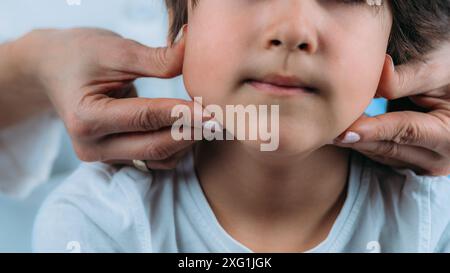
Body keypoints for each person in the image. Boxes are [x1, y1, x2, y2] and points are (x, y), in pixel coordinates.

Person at [33, 0, 450, 253]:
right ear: (178, 23)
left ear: (397, 48)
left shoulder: (436, 222)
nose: (292, 31)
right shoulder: (95, 224)